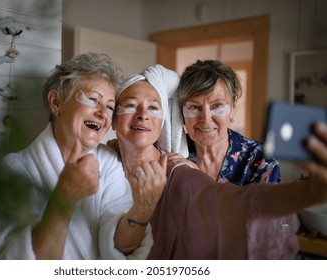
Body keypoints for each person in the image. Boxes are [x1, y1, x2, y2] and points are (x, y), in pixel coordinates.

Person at [112, 64, 327, 259]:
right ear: (180, 113)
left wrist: (310, 191)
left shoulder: (258, 158)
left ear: (233, 109)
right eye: (194, 107)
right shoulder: (174, 153)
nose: (205, 118)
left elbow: (267, 219)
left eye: (217, 106)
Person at [0, 52, 156, 260]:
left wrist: (141, 210)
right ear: (56, 102)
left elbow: (119, 248)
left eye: (110, 107)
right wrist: (65, 197)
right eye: (93, 99)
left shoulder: (108, 161)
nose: (103, 113)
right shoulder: (13, 170)